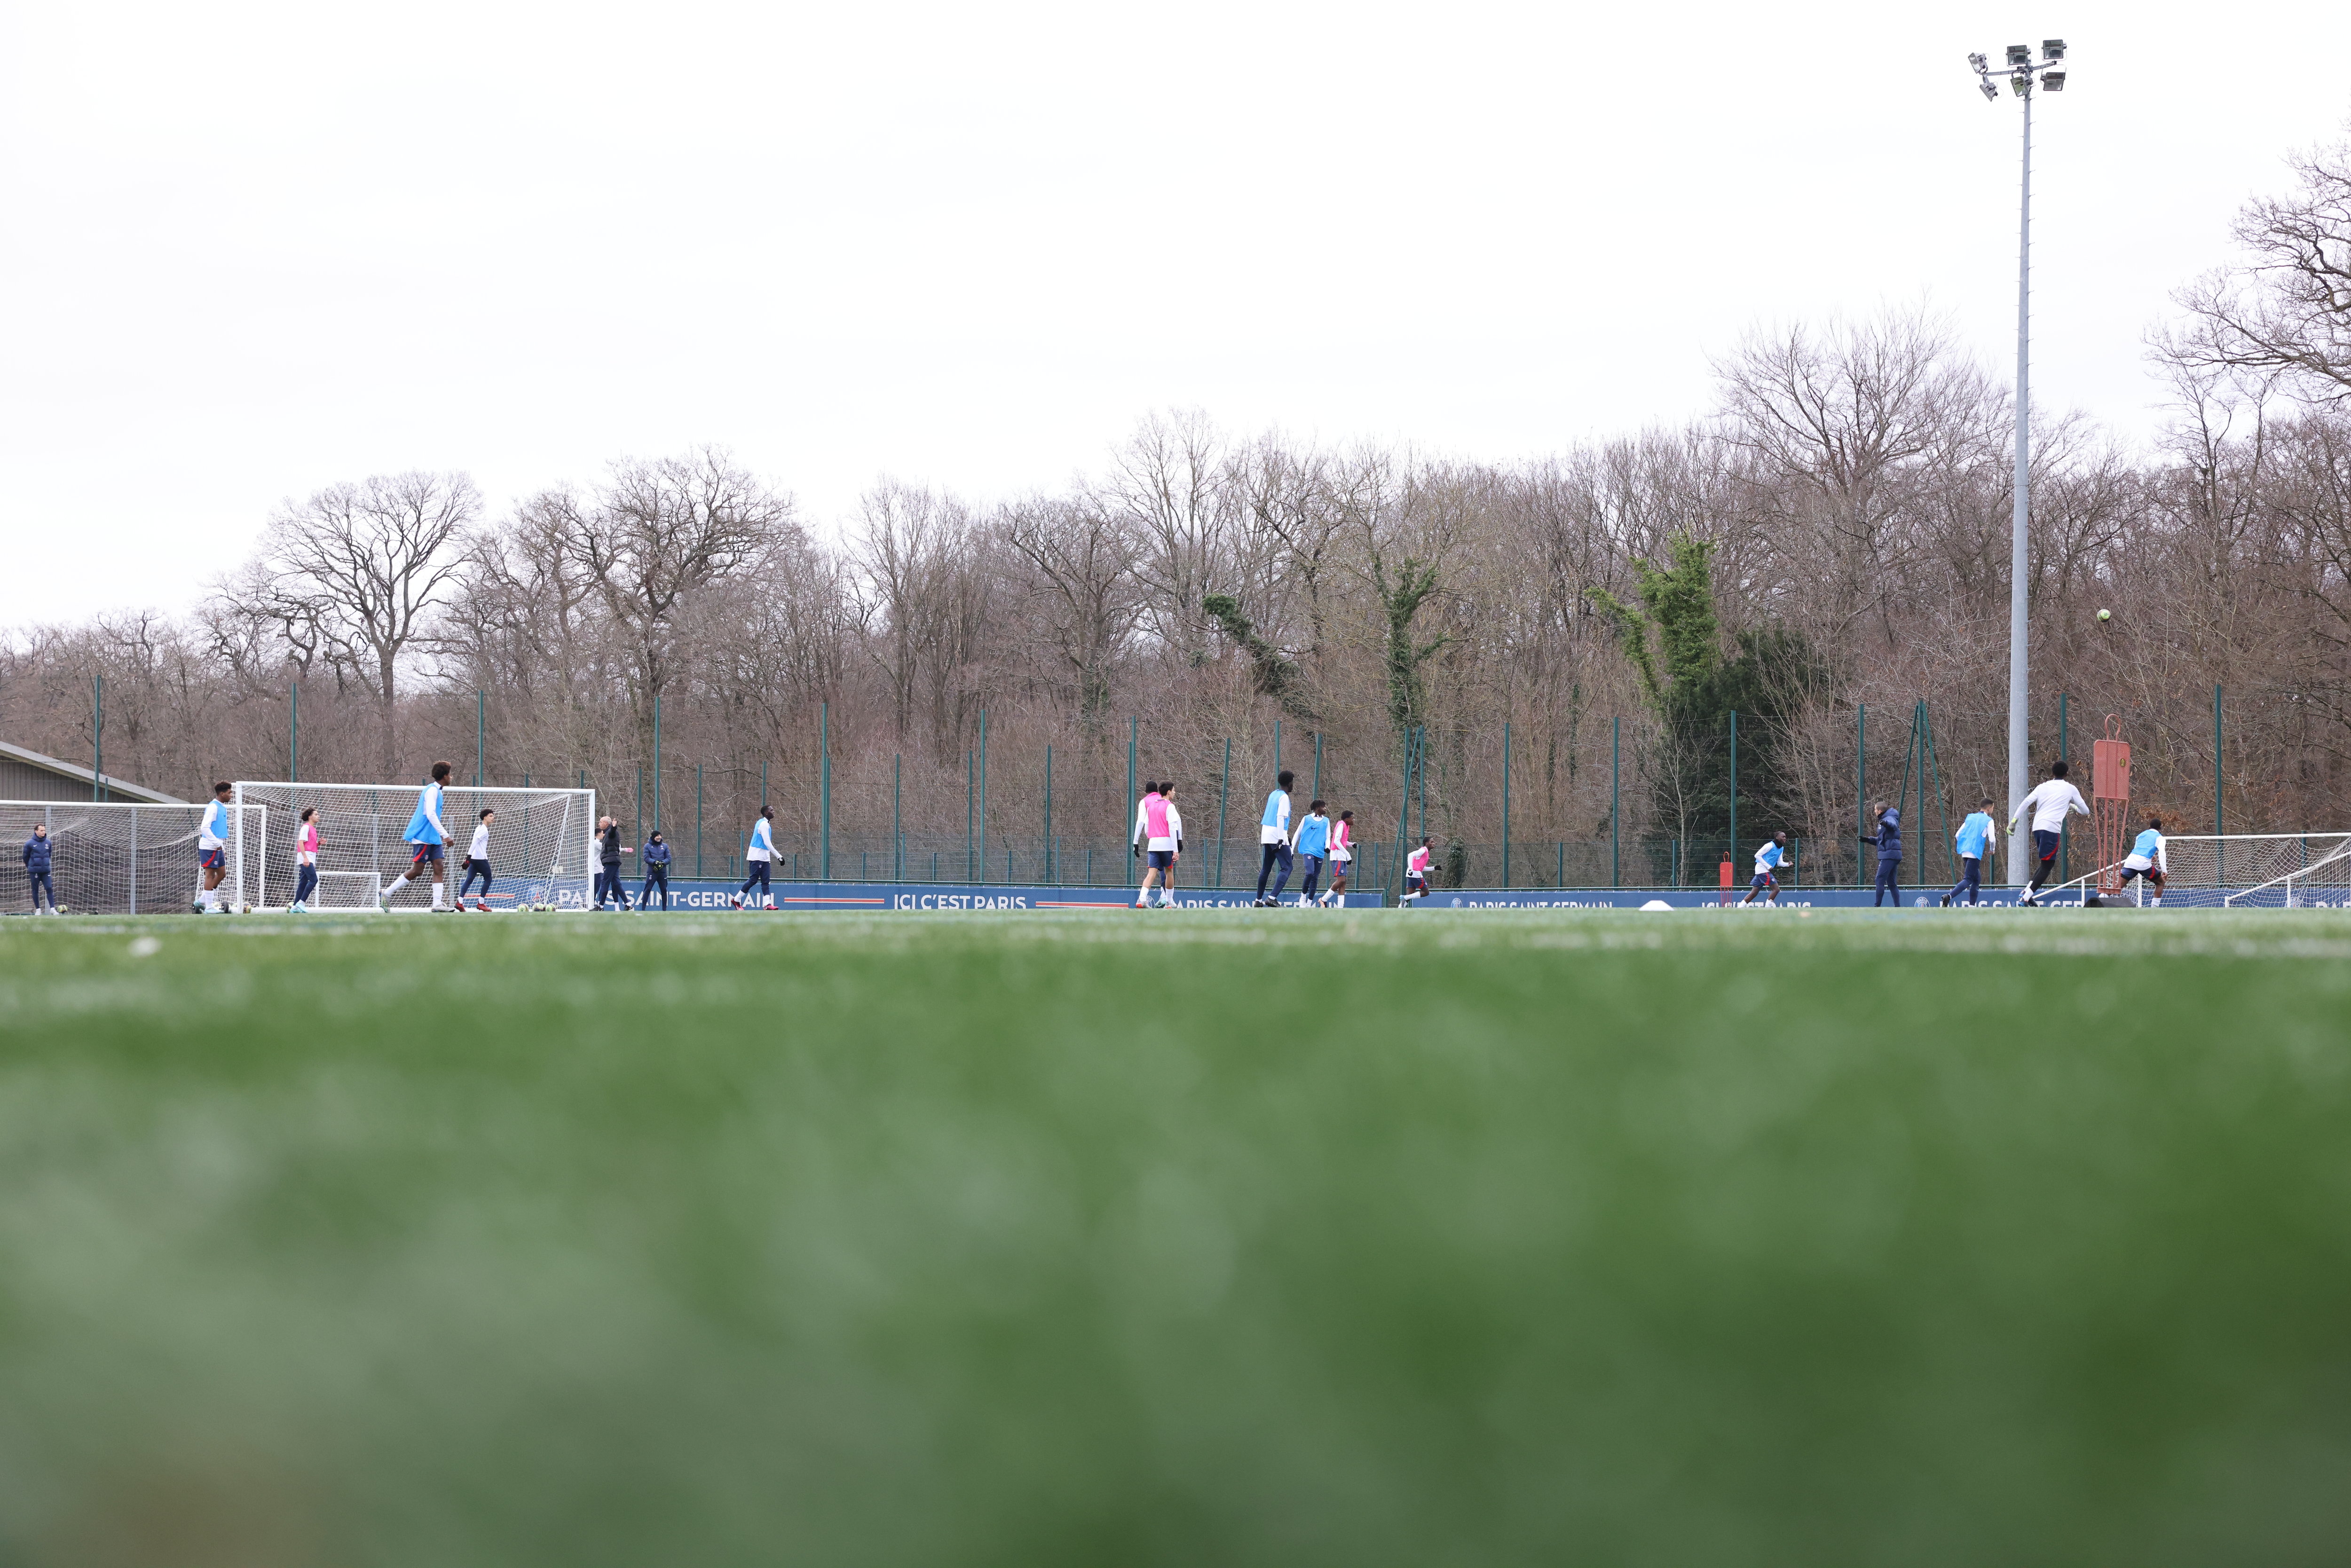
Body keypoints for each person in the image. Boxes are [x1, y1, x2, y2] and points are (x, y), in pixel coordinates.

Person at [2010, 760, 2091, 905]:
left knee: (2044, 864)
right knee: (2048, 867)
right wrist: (2073, 807)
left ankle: (2027, 892)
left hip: (2037, 828)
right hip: (2051, 829)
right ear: (2067, 774)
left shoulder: (2042, 787)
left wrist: (2014, 821)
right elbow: (2086, 811)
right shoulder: (2070, 789)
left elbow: (2026, 802)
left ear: (2052, 773)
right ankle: (2025, 897)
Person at [380, 763, 457, 912]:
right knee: (418, 870)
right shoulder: (432, 791)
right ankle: (387, 892)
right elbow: (430, 814)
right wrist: (445, 835)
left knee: (439, 867)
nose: (451, 777)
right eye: (450, 774)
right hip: (423, 837)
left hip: (433, 838)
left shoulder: (438, 792)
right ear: (445, 776)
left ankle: (437, 904)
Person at [1132, 781, 1183, 909]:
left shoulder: (1150, 807)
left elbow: (1147, 829)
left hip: (1153, 845)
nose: (1175, 792)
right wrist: (1176, 849)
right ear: (1169, 792)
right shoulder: (1170, 807)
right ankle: (1169, 901)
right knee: (1169, 872)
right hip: (1166, 844)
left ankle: (1142, 899)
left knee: (1151, 873)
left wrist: (1152, 837)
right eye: (1174, 790)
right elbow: (1173, 828)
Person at [1943, 797, 1998, 907]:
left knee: (1976, 879)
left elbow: (1958, 835)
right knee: (1968, 879)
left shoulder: (1970, 817)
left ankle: (1972, 906)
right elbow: (1992, 839)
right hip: (1975, 853)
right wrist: (1992, 850)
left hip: (1965, 851)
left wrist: (1965, 844)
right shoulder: (1989, 820)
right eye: (1993, 808)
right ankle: (1948, 897)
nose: (1992, 810)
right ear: (1989, 808)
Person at [1255, 770, 1296, 907]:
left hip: (1266, 833)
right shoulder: (1284, 797)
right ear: (1290, 784)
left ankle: (1258, 901)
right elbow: (1280, 817)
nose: (1292, 786)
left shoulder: (1274, 794)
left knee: (1266, 869)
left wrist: (1286, 836)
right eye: (1293, 783)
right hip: (1276, 835)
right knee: (1287, 867)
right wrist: (1281, 838)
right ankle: (1272, 898)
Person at [194, 780, 236, 914]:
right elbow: (204, 828)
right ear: (222, 794)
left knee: (222, 874)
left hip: (217, 846)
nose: (232, 795)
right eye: (229, 793)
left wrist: (221, 847)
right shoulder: (213, 807)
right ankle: (209, 907)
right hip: (209, 846)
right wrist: (217, 844)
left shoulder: (222, 807)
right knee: (210, 875)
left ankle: (201, 901)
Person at [732, 807, 777, 910]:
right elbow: (767, 843)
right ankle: (736, 899)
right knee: (753, 880)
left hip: (765, 856)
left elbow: (766, 844)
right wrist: (779, 856)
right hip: (757, 856)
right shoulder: (763, 824)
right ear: (766, 813)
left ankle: (767, 905)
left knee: (766, 881)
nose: (773, 812)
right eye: (771, 811)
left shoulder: (766, 824)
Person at [2117, 814, 2168, 906]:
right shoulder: (2160, 838)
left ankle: (2100, 899)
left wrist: (2150, 857)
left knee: (2118, 886)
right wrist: (2164, 870)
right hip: (2143, 864)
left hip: (2131, 861)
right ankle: (2154, 908)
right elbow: (2162, 853)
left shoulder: (2140, 835)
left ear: (2150, 826)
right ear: (2160, 828)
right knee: (2161, 883)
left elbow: (2138, 849)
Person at [1860, 801, 1902, 907]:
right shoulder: (1886, 819)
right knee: (1892, 883)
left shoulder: (1889, 819)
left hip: (1889, 855)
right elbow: (1882, 841)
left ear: (1880, 811)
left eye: (1875, 810)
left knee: (1879, 880)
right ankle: (1898, 907)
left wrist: (1886, 823)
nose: (1874, 811)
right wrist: (1869, 840)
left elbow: (1893, 826)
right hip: (1892, 854)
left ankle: (1877, 906)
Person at [1291, 800, 1330, 908]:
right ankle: (1303, 897)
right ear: (1318, 808)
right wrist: (1291, 850)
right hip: (1307, 849)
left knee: (1315, 877)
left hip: (1320, 852)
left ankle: (1309, 903)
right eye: (1324, 807)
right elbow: (1297, 833)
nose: (1326, 809)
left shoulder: (1326, 821)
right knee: (1310, 873)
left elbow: (1328, 837)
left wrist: (1328, 847)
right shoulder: (1307, 819)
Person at [458, 809, 497, 912]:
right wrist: (467, 858)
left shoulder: (479, 827)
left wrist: (469, 859)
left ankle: (459, 902)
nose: (493, 818)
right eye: (491, 816)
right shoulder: (484, 829)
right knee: (488, 879)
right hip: (480, 859)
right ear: (485, 817)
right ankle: (481, 903)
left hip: (474, 859)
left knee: (469, 879)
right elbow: (474, 842)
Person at [1739, 832, 1790, 905]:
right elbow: (1757, 855)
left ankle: (1740, 908)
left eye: (1785, 837)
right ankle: (1768, 907)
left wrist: (1788, 864)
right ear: (1777, 837)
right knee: (1776, 889)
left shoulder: (1781, 848)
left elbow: (1780, 863)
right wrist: (1768, 866)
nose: (1785, 838)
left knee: (1754, 892)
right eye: (1783, 837)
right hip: (1762, 869)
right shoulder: (1770, 845)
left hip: (1762, 871)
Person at [595, 815, 632, 911]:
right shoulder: (607, 833)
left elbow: (612, 832)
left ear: (606, 823)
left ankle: (601, 906)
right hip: (612, 861)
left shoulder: (611, 832)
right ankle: (629, 905)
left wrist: (614, 827)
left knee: (605, 882)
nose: (599, 824)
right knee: (617, 884)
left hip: (611, 861)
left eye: (600, 822)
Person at [1320, 809, 1354, 906]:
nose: (1354, 820)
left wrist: (1352, 844)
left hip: (1342, 856)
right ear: (1347, 819)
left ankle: (1340, 907)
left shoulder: (1346, 826)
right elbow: (1336, 841)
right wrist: (1348, 855)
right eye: (1352, 818)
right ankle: (1324, 899)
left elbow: (1342, 841)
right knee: (1341, 881)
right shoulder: (1341, 825)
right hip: (1337, 855)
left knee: (1343, 883)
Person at [22, 822, 57, 915]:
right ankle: (38, 910)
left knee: (49, 888)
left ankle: (53, 909)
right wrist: (30, 866)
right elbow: (25, 857)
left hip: (46, 871)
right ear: (36, 832)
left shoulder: (48, 843)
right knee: (35, 890)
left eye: (44, 830)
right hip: (35, 871)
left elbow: (49, 855)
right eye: (41, 830)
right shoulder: (29, 844)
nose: (43, 832)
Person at [291, 807, 320, 913]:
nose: (318, 816)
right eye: (316, 814)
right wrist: (305, 858)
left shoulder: (313, 829)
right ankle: (301, 903)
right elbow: (300, 843)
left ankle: (294, 908)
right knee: (314, 880)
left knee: (303, 882)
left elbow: (310, 844)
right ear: (310, 817)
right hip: (306, 857)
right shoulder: (306, 827)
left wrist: (319, 843)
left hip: (310, 857)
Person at [640, 830, 672, 911]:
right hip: (652, 872)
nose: (659, 837)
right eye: (657, 836)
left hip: (663, 872)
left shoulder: (665, 846)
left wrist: (663, 863)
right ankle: (643, 909)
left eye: (660, 836)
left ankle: (664, 910)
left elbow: (669, 858)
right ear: (653, 837)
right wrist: (655, 863)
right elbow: (647, 858)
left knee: (664, 890)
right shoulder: (647, 846)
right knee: (648, 889)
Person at [1403, 837, 1434, 906]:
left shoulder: (1425, 852)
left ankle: (1400, 908)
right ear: (1426, 843)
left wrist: (1433, 868)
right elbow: (1410, 855)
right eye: (1431, 842)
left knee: (1410, 894)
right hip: (1415, 873)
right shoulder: (1423, 850)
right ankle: (1406, 897)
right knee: (1426, 892)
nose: (1434, 843)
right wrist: (1411, 868)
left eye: (1434, 842)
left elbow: (1421, 868)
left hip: (1410, 874)